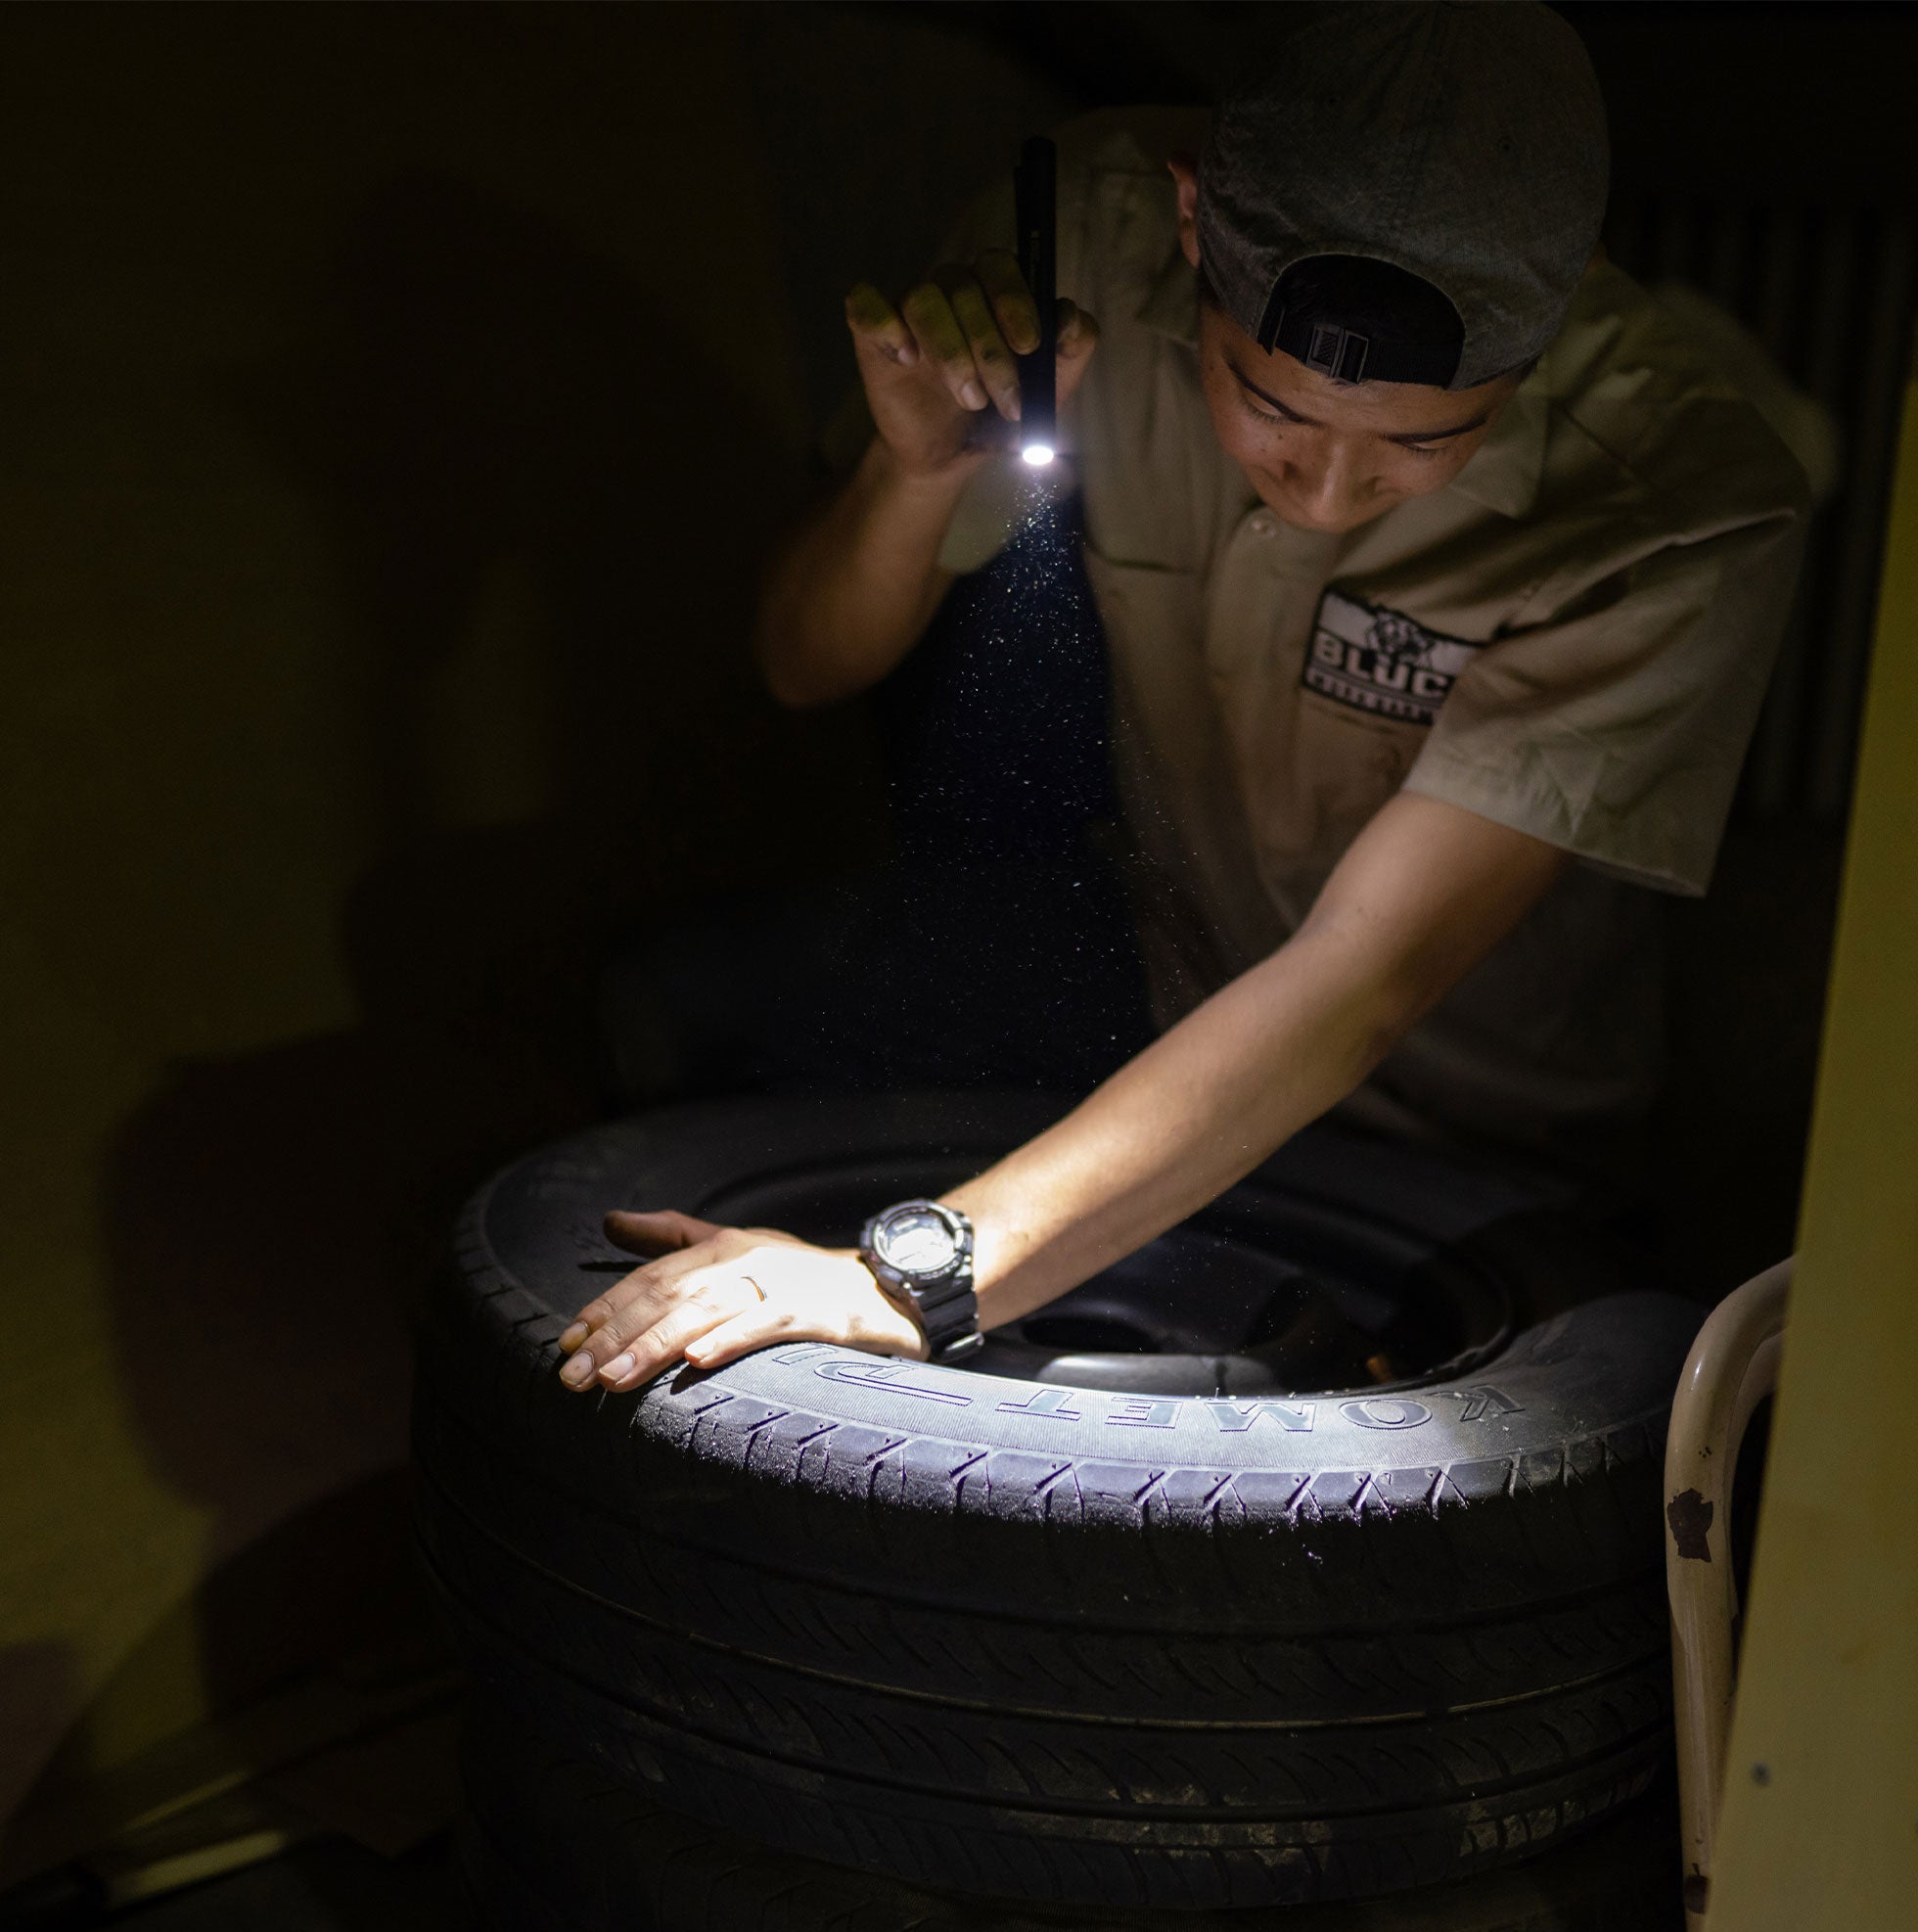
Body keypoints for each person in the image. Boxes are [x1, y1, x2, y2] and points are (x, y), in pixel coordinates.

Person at [557, 2, 1809, 1395]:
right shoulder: (1079, 238)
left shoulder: (1679, 503)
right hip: (1153, 988)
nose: (1325, 492)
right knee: (687, 1003)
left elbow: (1362, 981)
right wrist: (908, 478)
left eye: (1417, 445)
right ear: (1191, 217)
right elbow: (802, 661)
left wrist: (903, 1278)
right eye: (1268, 404)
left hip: (1489, 1143)